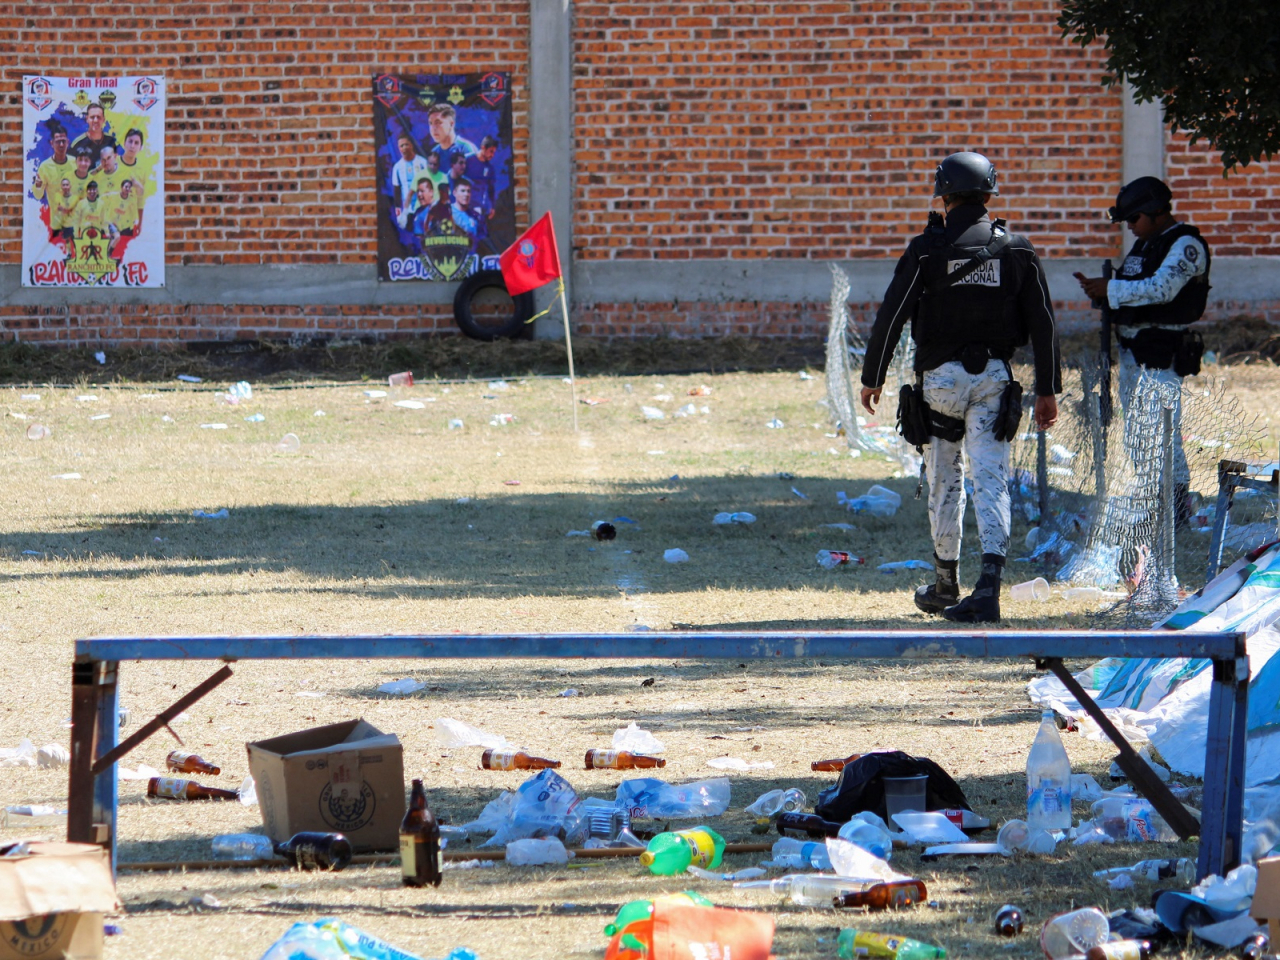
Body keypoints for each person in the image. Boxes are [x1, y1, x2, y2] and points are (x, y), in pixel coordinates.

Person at [859, 151, 1061, 623]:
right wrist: (1048, 390)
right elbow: (1045, 323)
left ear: (943, 197)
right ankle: (988, 588)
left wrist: (873, 376)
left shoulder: (926, 250)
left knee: (944, 479)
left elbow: (891, 316)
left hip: (941, 383)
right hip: (994, 379)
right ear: (989, 195)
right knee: (991, 479)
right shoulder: (1017, 249)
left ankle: (945, 582)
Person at [1075, 177, 1209, 519]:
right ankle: (1153, 502)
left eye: (1134, 219)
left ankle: (1174, 512)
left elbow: (1162, 289)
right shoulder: (1147, 243)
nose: (1130, 227)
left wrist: (1111, 289)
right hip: (1133, 351)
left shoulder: (1184, 244)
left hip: (1160, 353)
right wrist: (1101, 290)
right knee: (1137, 434)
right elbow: (1133, 285)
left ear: (1155, 211)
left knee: (1161, 434)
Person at [31, 121, 74, 203]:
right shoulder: (45, 167)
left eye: (63, 141)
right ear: (52, 143)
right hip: (55, 214)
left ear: (67, 142)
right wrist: (38, 186)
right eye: (58, 141)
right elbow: (37, 196)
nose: (61, 145)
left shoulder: (75, 163)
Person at [391, 133, 429, 225]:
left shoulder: (423, 162)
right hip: (407, 211)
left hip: (423, 209)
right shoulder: (397, 167)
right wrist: (399, 213)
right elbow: (397, 191)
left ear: (411, 145)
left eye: (406, 144)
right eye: (401, 146)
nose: (404, 148)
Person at [70, 102, 117, 169]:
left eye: (98, 117)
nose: (95, 120)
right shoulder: (77, 143)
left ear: (103, 119)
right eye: (92, 117)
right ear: (87, 119)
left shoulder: (111, 141)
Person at [464, 136, 500, 221]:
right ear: (483, 147)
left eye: (494, 152)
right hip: (463, 206)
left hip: (478, 208)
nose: (492, 155)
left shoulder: (489, 168)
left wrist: (493, 206)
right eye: (491, 151)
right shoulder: (467, 160)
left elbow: (491, 188)